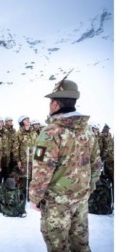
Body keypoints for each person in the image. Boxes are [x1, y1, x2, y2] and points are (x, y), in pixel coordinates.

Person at [29, 79, 102, 252]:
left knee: (58, 247)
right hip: (81, 200)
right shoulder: (87, 130)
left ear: (55, 104)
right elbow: (97, 164)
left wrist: (35, 198)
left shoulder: (51, 132)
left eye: (50, 102)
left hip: (57, 203)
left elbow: (42, 171)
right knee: (81, 246)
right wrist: (87, 188)